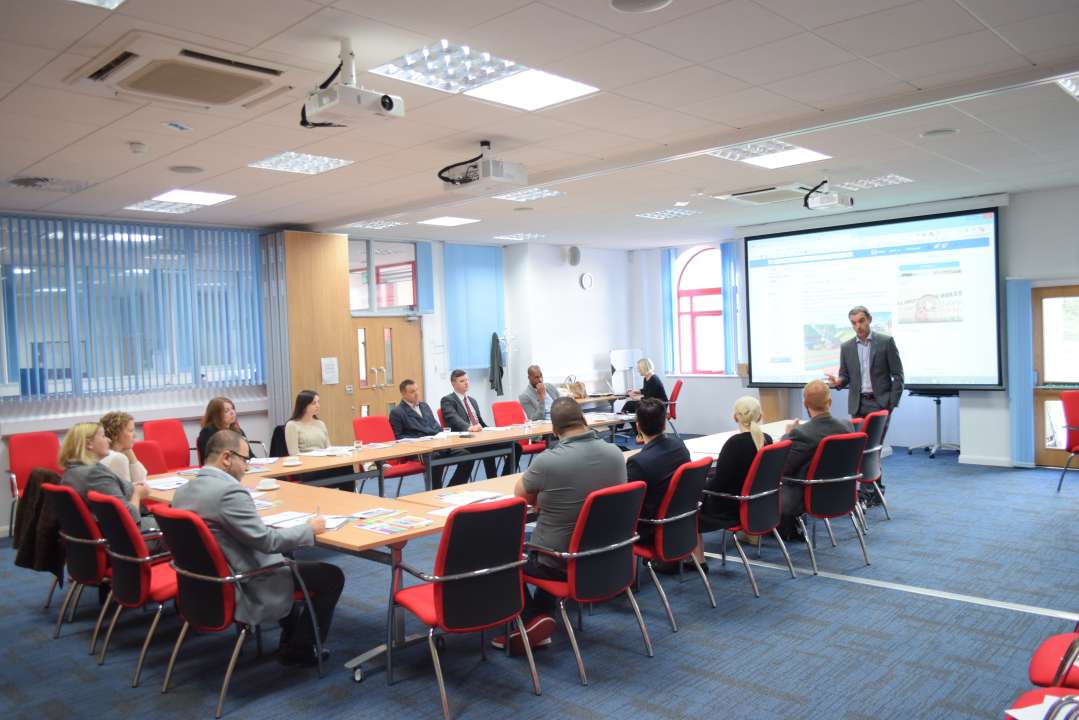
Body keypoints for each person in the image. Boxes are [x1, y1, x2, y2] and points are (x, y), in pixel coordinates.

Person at [171, 430, 344, 667]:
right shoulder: (229, 492)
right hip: (244, 580)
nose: (247, 467)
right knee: (331, 577)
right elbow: (267, 542)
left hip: (204, 583)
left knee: (288, 557)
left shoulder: (183, 491)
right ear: (226, 458)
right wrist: (308, 529)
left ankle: (290, 636)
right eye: (245, 459)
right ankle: (299, 650)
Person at [494, 398, 626, 655]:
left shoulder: (547, 461)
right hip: (608, 556)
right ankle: (540, 617)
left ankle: (528, 622)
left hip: (562, 561)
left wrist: (545, 499)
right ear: (585, 420)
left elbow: (521, 500)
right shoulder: (616, 454)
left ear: (553, 431)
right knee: (556, 536)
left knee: (502, 552)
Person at [826, 305, 904, 504]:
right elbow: (845, 375)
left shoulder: (886, 342)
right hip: (858, 404)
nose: (858, 326)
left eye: (861, 321)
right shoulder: (847, 346)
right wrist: (838, 382)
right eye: (853, 323)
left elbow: (898, 376)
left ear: (869, 319)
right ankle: (875, 492)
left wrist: (891, 403)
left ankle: (867, 491)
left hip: (880, 405)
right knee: (862, 448)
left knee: (873, 448)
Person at [697, 396, 774, 562]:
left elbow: (718, 485)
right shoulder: (767, 440)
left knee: (690, 506)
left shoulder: (734, 444)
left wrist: (701, 485)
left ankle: (698, 561)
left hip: (730, 507)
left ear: (735, 417)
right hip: (757, 505)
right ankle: (750, 533)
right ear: (760, 416)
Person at [777, 381, 855, 540]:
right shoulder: (847, 427)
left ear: (805, 404)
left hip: (806, 496)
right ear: (830, 402)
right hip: (842, 493)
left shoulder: (802, 433)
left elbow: (783, 466)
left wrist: (787, 435)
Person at [59, 421, 156, 537]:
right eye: (103, 436)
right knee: (180, 526)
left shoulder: (73, 469)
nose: (109, 440)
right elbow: (128, 517)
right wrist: (137, 495)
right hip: (128, 539)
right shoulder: (95, 474)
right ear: (88, 443)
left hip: (106, 535)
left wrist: (129, 487)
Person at [626, 398, 690, 548]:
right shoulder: (679, 445)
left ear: (638, 427)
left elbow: (628, 505)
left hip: (650, 528)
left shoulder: (638, 462)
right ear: (664, 424)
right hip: (680, 520)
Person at [389, 379, 474, 488]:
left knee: (467, 456)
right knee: (436, 457)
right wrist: (421, 439)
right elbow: (399, 437)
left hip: (436, 444)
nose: (417, 394)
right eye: (412, 392)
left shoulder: (424, 406)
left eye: (417, 390)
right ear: (403, 394)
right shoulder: (397, 412)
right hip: (419, 449)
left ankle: (452, 488)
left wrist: (440, 435)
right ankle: (435, 491)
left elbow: (436, 426)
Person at [440, 370, 522, 478]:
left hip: (481, 437)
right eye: (462, 381)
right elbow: (454, 419)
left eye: (467, 380)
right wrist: (469, 428)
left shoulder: (472, 400)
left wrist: (496, 432)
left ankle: (505, 478)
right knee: (488, 446)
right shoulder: (447, 400)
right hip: (465, 440)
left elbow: (481, 423)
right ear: (454, 384)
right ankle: (492, 480)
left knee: (516, 447)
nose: (466, 383)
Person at [284, 391, 351, 490]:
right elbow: (294, 454)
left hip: (323, 464)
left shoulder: (320, 424)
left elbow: (329, 449)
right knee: (318, 474)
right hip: (305, 468)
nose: (318, 406)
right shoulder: (292, 425)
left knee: (347, 468)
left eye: (318, 402)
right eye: (313, 403)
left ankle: (348, 501)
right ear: (303, 405)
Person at [621, 358, 667, 442]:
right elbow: (644, 390)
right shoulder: (647, 378)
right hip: (652, 403)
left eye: (639, 368)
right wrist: (633, 391)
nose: (638, 370)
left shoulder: (653, 379)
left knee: (629, 405)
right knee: (631, 412)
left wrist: (634, 397)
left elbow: (648, 398)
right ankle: (639, 434)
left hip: (658, 405)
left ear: (644, 367)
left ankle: (618, 426)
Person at [99, 411, 147, 487]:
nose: (135, 435)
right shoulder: (118, 458)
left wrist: (130, 453)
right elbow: (132, 490)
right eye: (131, 431)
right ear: (116, 434)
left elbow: (141, 481)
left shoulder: (104, 453)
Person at [518, 364, 561, 448]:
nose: (540, 380)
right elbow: (535, 419)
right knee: (562, 436)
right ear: (529, 378)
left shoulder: (550, 387)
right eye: (536, 378)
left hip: (558, 423)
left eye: (541, 376)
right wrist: (542, 397)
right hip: (543, 430)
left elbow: (562, 405)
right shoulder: (524, 396)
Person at [197, 397, 246, 464]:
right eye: (226, 411)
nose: (232, 412)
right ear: (216, 415)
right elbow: (209, 459)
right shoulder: (208, 432)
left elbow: (249, 455)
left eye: (232, 408)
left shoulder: (238, 431)